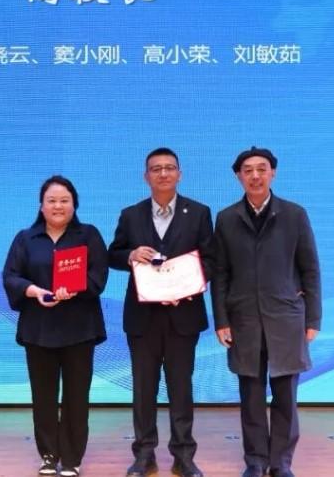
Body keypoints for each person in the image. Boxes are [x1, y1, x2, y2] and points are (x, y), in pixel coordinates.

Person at [211, 147, 322, 477]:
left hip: (286, 318)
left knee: (286, 395)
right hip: (244, 319)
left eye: (262, 169)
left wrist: (313, 318)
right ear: (238, 177)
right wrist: (221, 320)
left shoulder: (294, 215)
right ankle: (256, 461)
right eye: (248, 170)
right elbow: (220, 274)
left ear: (273, 173)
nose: (255, 176)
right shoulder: (227, 218)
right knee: (251, 396)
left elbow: (310, 269)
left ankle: (281, 462)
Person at [108, 147, 213, 477]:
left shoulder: (199, 213)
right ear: (146, 176)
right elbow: (112, 254)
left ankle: (184, 455)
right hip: (143, 318)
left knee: (181, 388)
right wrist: (130, 255)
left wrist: (186, 286)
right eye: (156, 169)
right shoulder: (131, 215)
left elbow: (211, 260)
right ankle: (144, 455)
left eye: (169, 168)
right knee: (144, 388)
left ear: (180, 174)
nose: (163, 173)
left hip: (184, 315)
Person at [2, 175, 108, 477]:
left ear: (74, 205)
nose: (58, 206)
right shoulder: (26, 238)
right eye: (52, 200)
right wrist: (33, 291)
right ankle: (48, 454)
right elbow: (11, 276)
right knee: (43, 396)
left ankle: (72, 457)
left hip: (79, 329)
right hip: (39, 329)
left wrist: (74, 288)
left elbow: (98, 276)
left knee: (76, 396)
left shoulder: (89, 235)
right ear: (41, 206)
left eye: (64, 200)